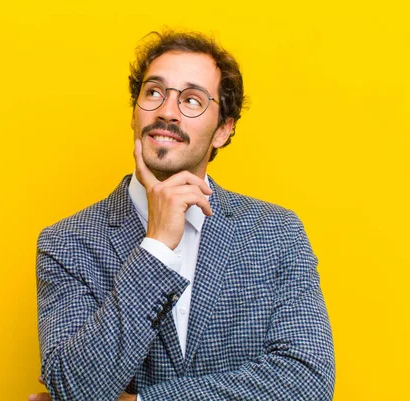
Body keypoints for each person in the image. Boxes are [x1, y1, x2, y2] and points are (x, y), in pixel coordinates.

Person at [30, 29, 335, 401]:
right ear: (133, 113)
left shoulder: (276, 232)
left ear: (223, 130)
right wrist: (155, 247)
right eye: (153, 92)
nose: (166, 111)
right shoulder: (66, 243)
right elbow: (74, 387)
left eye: (192, 100)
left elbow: (308, 381)